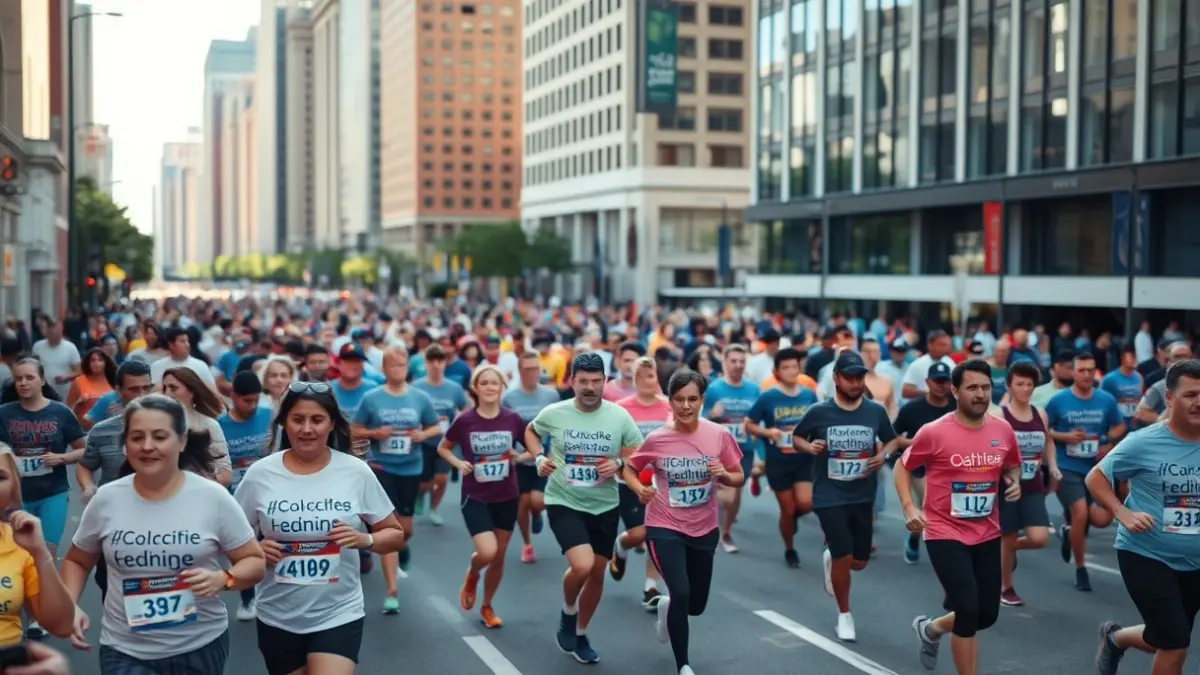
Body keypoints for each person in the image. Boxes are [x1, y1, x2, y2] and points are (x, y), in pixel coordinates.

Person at [60, 394, 265, 672]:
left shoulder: (212, 497)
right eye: (136, 438)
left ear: (181, 441)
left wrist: (224, 579)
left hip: (199, 644)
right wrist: (69, 605)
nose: (147, 447)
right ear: (125, 444)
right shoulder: (106, 499)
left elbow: (254, 562)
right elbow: (77, 560)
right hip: (124, 648)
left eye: (159, 437)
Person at [235, 381, 405, 675]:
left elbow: (394, 535)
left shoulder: (355, 471)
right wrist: (255, 550)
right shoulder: (260, 474)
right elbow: (231, 540)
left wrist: (364, 539)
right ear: (284, 424)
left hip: (339, 612)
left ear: (332, 424)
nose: (307, 429)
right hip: (277, 615)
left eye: (317, 420)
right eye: (297, 419)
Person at [898, 359, 1021, 674]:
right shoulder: (934, 432)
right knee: (967, 608)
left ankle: (932, 629)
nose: (980, 394)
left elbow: (1010, 463)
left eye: (985, 387)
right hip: (944, 530)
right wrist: (910, 508)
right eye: (972, 388)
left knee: (987, 615)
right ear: (955, 391)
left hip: (987, 532)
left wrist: (1014, 482)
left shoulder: (1002, 429)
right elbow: (903, 466)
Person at [625, 368, 744, 675]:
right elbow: (630, 467)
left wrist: (723, 475)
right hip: (664, 525)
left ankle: (667, 609)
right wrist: (640, 488)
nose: (686, 406)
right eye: (679, 399)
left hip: (704, 527)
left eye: (693, 399)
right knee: (681, 591)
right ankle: (684, 666)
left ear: (702, 400)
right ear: (671, 402)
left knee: (695, 605)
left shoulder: (718, 435)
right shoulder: (658, 439)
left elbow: (738, 477)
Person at [527, 352, 642, 664]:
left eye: (596, 381)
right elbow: (531, 432)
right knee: (582, 565)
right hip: (564, 500)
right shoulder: (555, 412)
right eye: (583, 381)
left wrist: (619, 463)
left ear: (605, 381)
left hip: (605, 504)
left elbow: (636, 456)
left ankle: (580, 633)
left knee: (597, 575)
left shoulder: (619, 417)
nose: (590, 387)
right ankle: (568, 611)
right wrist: (539, 457)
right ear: (571, 382)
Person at [1090, 359, 1200, 675]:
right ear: (1169, 398)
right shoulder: (1144, 442)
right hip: (1146, 552)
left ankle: (1115, 638)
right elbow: (1096, 478)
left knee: (1163, 636)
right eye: (1190, 394)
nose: (1199, 402)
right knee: (1175, 642)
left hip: (1194, 560)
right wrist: (1121, 512)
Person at [792, 351, 896, 642]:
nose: (855, 383)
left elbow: (891, 440)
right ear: (836, 379)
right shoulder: (819, 412)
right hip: (829, 494)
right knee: (843, 554)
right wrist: (809, 448)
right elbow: (798, 437)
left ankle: (833, 560)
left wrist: (883, 456)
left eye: (859, 377)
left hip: (863, 494)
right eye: (849, 377)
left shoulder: (874, 411)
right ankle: (844, 615)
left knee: (859, 561)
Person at [0, 357, 85, 639]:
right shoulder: (4, 413)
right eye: (19, 379)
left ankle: (37, 617)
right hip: (15, 498)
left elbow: (83, 449)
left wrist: (61, 457)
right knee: (16, 557)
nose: (23, 383)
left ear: (42, 380)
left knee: (43, 554)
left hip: (53, 493)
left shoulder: (60, 413)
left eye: (29, 378)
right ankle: (16, 611)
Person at [350, 347, 440, 614]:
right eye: (393, 365)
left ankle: (404, 548)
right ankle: (392, 591)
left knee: (406, 529)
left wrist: (423, 436)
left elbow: (436, 426)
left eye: (402, 365)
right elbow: (354, 430)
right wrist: (375, 432)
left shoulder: (420, 398)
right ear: (385, 369)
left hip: (411, 468)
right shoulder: (372, 398)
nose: (398, 369)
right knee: (386, 531)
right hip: (382, 469)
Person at [441, 365, 531, 629]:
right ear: (476, 389)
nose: (491, 387)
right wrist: (458, 464)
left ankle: (487, 605)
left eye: (496, 383)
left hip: (506, 495)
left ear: (502, 388)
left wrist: (520, 457)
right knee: (487, 552)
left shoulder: (512, 419)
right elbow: (443, 448)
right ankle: (473, 572)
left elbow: (533, 449)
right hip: (476, 495)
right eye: (485, 383)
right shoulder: (466, 420)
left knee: (499, 555)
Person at [1045, 352, 1125, 591]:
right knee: (1080, 512)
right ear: (1073, 372)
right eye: (1082, 370)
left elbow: (1120, 425)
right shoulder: (1059, 400)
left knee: (1102, 519)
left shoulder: (1106, 400)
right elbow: (1044, 429)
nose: (1087, 375)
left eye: (1091, 370)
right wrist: (1065, 436)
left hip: (1096, 469)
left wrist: (1107, 440)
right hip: (1067, 466)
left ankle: (1071, 532)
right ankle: (1081, 569)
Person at [746, 347, 819, 568]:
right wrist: (768, 433)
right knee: (787, 509)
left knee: (806, 504)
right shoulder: (768, 397)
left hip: (803, 459)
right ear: (777, 371)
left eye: (794, 366)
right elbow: (748, 424)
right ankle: (790, 549)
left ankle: (791, 519)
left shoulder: (808, 395)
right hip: (778, 460)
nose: (790, 371)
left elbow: (817, 421)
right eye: (785, 367)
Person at [0, 444, 76, 647]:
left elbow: (61, 625)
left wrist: (40, 553)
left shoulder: (18, 546)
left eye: (0, 477)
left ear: (13, 486)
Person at [995, 361, 1057, 607]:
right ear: (1009, 386)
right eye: (1019, 384)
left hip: (1033, 485)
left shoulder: (1039, 413)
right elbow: (993, 450)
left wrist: (1052, 466)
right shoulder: (1000, 416)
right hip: (1008, 486)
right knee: (1007, 536)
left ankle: (1006, 551)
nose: (1025, 389)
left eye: (1029, 384)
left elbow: (1049, 441)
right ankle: (1005, 586)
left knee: (1039, 537)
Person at [609, 356, 669, 609]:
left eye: (651, 375)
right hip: (628, 481)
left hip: (662, 482)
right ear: (633, 380)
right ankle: (621, 546)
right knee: (640, 533)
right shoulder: (620, 409)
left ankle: (650, 588)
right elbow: (612, 444)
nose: (647, 380)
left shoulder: (668, 406)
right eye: (641, 376)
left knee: (656, 533)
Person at [217, 371, 274, 621]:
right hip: (235, 500)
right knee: (246, 549)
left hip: (269, 495)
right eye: (246, 401)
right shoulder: (219, 426)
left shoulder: (268, 416)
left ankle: (272, 592)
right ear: (233, 397)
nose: (252, 406)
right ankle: (248, 598)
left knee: (272, 545)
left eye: (255, 400)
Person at [890, 361, 957, 565]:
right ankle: (918, 538)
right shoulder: (912, 409)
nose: (941, 385)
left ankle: (951, 545)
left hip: (954, 466)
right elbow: (893, 438)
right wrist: (920, 444)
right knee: (930, 501)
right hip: (921, 468)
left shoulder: (958, 406)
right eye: (937, 381)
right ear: (927, 382)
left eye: (945, 381)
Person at [501, 351, 561, 564]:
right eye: (528, 369)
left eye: (536, 368)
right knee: (522, 502)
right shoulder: (509, 397)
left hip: (544, 458)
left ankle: (537, 515)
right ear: (520, 371)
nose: (533, 373)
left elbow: (556, 427)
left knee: (536, 501)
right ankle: (527, 543)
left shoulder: (551, 395)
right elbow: (505, 428)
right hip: (518, 459)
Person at [701, 343, 760, 553]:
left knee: (735, 492)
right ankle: (718, 530)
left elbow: (758, 421)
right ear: (725, 362)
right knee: (724, 492)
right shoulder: (714, 388)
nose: (738, 365)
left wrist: (760, 453)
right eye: (733, 361)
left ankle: (725, 531)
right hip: (719, 450)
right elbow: (700, 420)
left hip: (744, 449)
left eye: (742, 361)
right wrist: (713, 415)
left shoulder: (753, 389)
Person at [412, 343, 470, 526]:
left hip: (446, 442)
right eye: (431, 360)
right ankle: (421, 494)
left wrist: (461, 418)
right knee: (424, 483)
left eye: (440, 360)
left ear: (445, 363)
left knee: (442, 478)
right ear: (426, 363)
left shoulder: (454, 388)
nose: (436, 364)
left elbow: (465, 408)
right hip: (423, 441)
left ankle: (434, 509)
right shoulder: (417, 387)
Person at [160, 368, 233, 488]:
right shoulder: (154, 424)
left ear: (191, 392)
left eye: (173, 388)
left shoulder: (209, 425)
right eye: (164, 389)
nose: (167, 394)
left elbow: (226, 475)